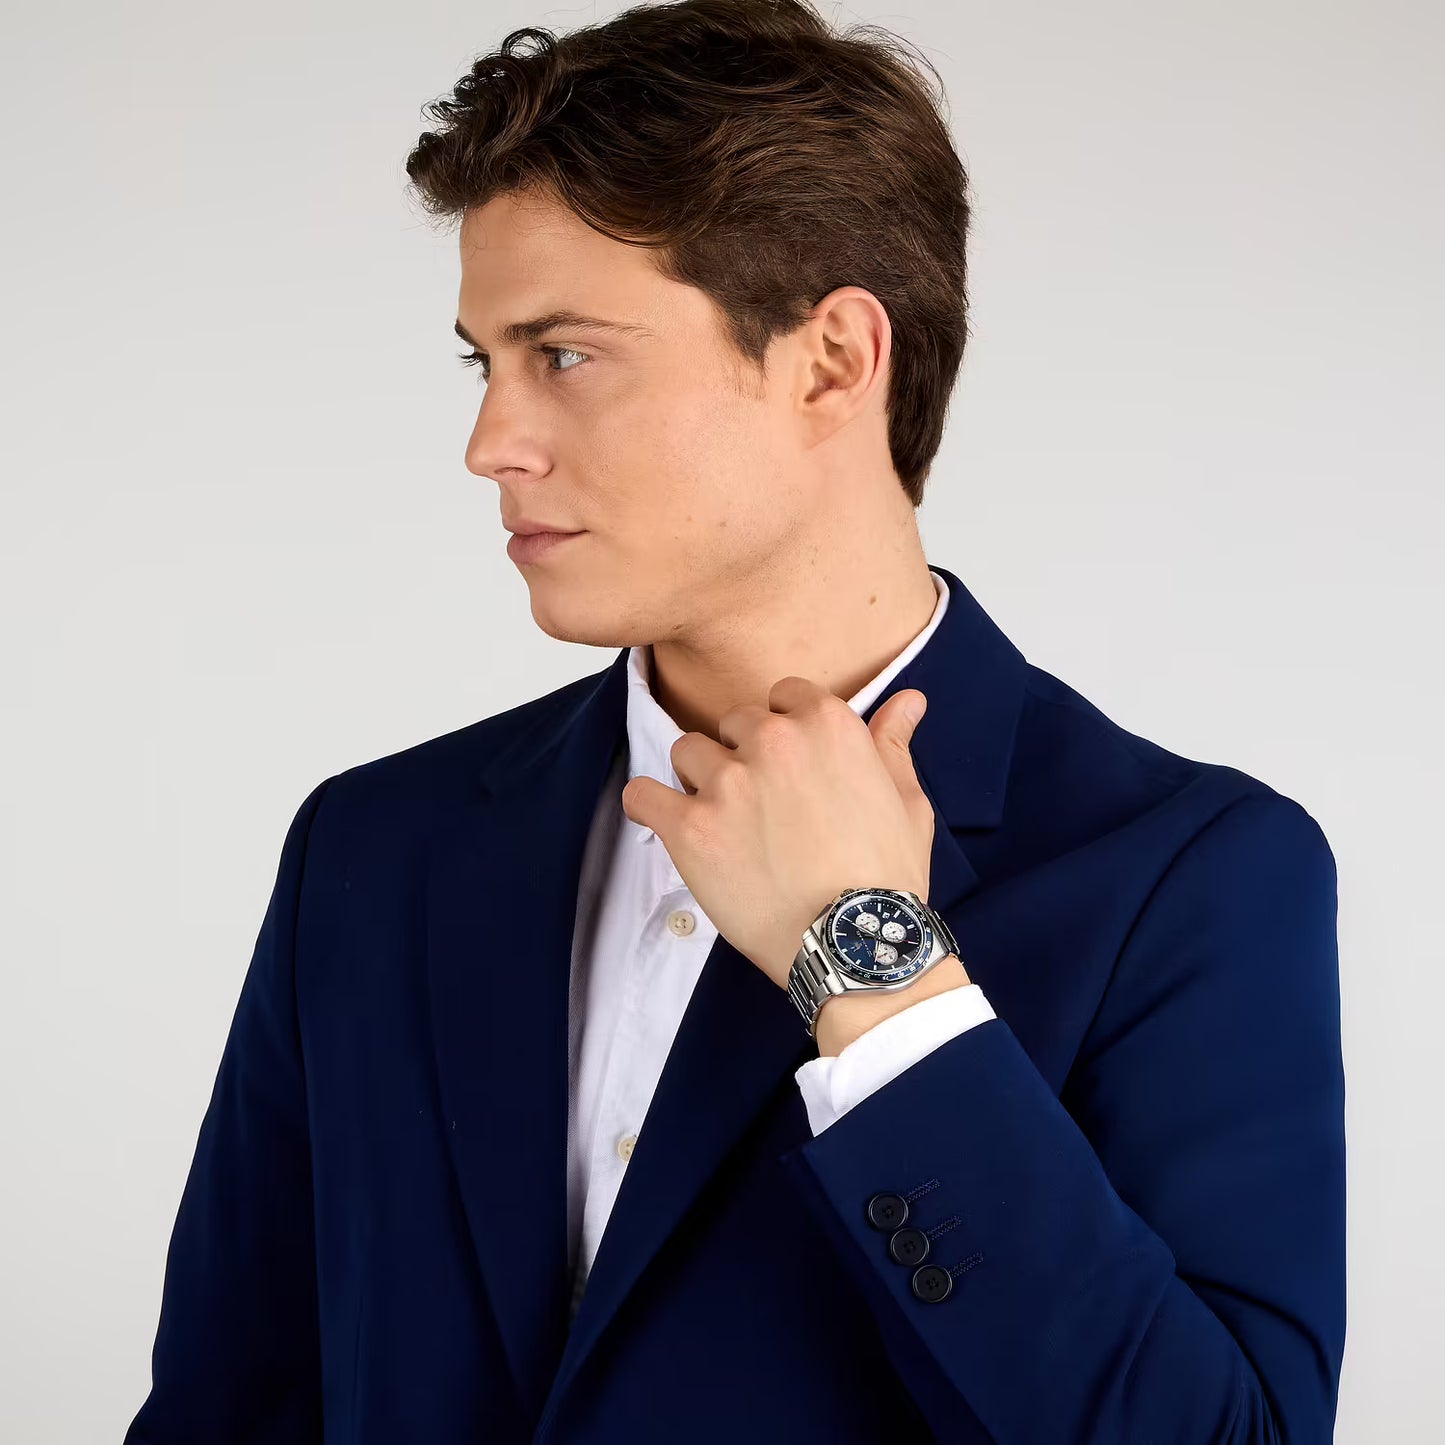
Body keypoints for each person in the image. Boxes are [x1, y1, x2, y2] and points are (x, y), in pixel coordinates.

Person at [124, 1, 1346, 1440]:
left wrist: (874, 978)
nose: (488, 444)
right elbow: (228, 1406)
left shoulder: (1186, 874)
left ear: (831, 361)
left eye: (562, 354)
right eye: (482, 362)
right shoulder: (372, 847)